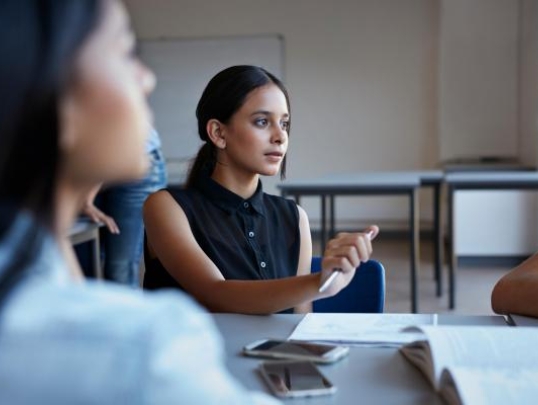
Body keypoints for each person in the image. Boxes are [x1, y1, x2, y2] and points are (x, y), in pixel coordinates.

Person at [0, 1, 280, 403]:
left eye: (283, 123)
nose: (146, 79)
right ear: (57, 96)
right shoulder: (146, 348)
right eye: (124, 52)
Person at [143, 65, 379, 314]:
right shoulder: (166, 207)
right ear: (218, 132)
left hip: (276, 355)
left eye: (284, 124)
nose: (280, 136)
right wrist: (320, 283)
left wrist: (331, 278)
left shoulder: (294, 216)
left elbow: (299, 321)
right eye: (262, 121)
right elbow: (214, 293)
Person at [81, 126, 168, 287]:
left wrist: (86, 199)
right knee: (84, 267)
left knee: (119, 269)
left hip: (134, 164)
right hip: (84, 167)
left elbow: (109, 135)